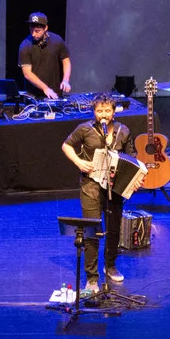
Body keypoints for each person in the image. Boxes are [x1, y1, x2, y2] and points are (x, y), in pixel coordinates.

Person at [61, 93, 137, 291]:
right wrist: (79, 161)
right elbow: (66, 145)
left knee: (113, 229)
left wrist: (134, 178)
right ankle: (92, 277)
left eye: (107, 110)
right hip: (91, 186)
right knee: (92, 230)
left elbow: (132, 157)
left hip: (114, 187)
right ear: (94, 112)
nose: (103, 114)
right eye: (99, 110)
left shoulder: (123, 131)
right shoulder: (85, 129)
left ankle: (110, 266)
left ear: (114, 112)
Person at [18, 11, 71, 99]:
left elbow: (66, 60)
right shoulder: (25, 45)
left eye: (37, 31)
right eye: (31, 30)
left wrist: (66, 80)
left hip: (55, 93)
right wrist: (45, 88)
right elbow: (27, 73)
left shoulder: (57, 41)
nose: (33, 34)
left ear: (45, 28)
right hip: (33, 96)